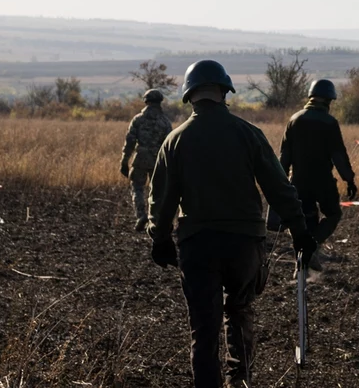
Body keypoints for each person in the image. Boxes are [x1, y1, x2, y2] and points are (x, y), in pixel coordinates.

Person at [148, 59, 317, 388]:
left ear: (189, 95)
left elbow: (163, 198)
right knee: (239, 314)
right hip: (244, 244)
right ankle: (240, 381)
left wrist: (160, 239)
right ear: (225, 92)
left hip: (197, 245)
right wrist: (300, 231)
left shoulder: (176, 141)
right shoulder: (248, 133)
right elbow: (279, 188)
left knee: (204, 329)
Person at [279, 78, 357, 271]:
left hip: (298, 182)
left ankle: (303, 266)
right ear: (329, 101)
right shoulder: (330, 123)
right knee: (333, 214)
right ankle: (310, 249)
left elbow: (284, 155)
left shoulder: (294, 119)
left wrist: (280, 182)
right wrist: (349, 179)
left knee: (306, 220)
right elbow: (338, 155)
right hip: (323, 182)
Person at [119, 88, 172, 232]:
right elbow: (168, 145)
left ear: (146, 101)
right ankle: (154, 218)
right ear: (160, 102)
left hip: (140, 158)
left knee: (137, 188)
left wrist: (124, 161)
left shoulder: (138, 119)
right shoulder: (165, 122)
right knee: (157, 191)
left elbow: (130, 141)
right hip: (158, 161)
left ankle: (141, 215)